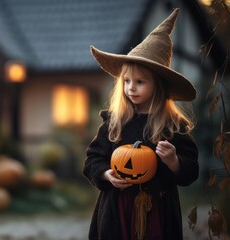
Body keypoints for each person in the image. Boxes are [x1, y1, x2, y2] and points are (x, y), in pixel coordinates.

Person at [83, 9, 199, 240]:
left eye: (140, 82)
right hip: (117, 211)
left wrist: (174, 161)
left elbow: (191, 171)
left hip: (159, 210)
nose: (131, 88)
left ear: (158, 85)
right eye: (126, 81)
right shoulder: (115, 123)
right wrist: (106, 174)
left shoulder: (172, 126)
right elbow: (92, 160)